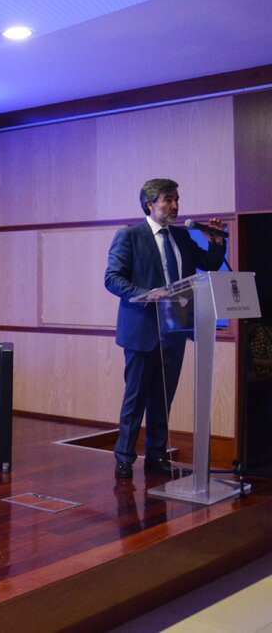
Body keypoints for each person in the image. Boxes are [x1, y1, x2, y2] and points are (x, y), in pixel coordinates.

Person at [104, 179, 226, 480]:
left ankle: (156, 456)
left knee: (163, 397)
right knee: (135, 398)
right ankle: (124, 458)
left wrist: (215, 242)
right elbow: (113, 278)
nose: (175, 206)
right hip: (142, 330)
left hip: (175, 329)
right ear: (150, 204)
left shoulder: (181, 236)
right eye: (168, 200)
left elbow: (209, 264)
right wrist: (146, 294)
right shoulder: (130, 236)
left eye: (176, 200)